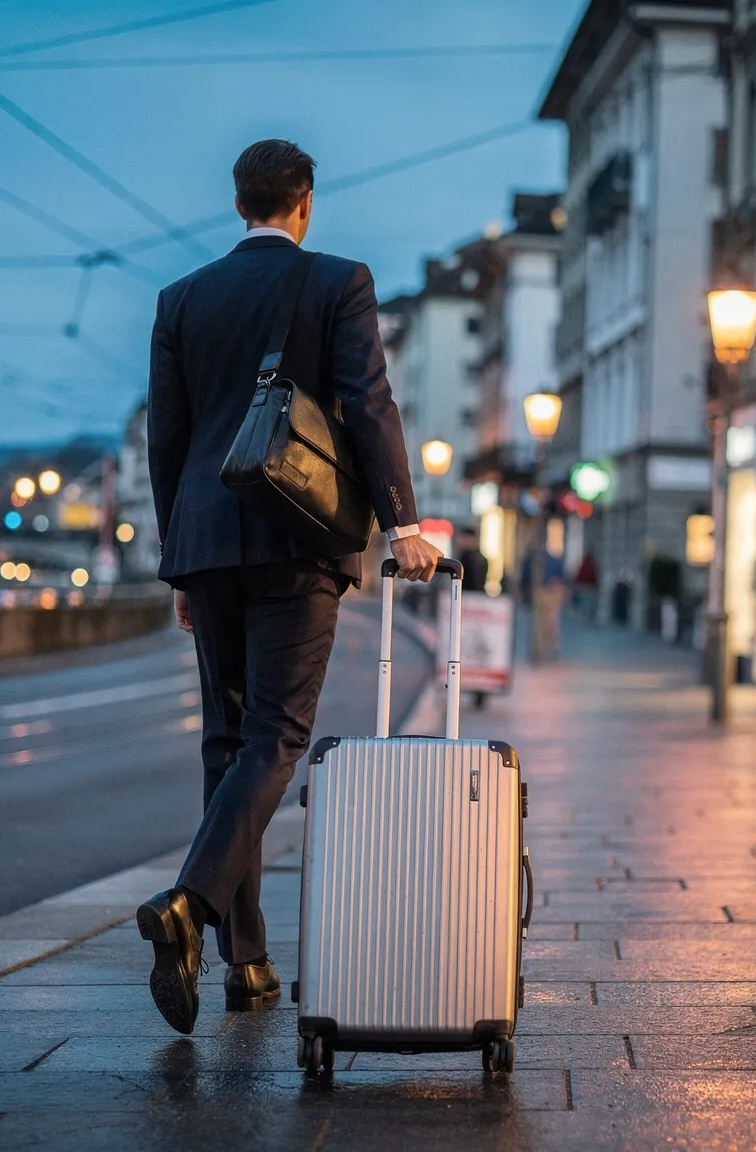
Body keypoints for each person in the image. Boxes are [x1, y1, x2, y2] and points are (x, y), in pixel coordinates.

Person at [135, 139, 442, 1035]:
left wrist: (179, 557)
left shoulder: (179, 299)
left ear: (240, 203)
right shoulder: (337, 281)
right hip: (297, 539)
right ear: (305, 201)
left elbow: (169, 439)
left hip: (206, 536)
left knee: (226, 744)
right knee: (277, 736)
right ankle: (190, 906)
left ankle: (249, 962)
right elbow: (368, 401)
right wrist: (404, 525)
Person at [455, 527, 489, 594]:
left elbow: (478, 581)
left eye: (465, 538)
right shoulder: (463, 555)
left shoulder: (477, 559)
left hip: (473, 595)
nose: (462, 542)